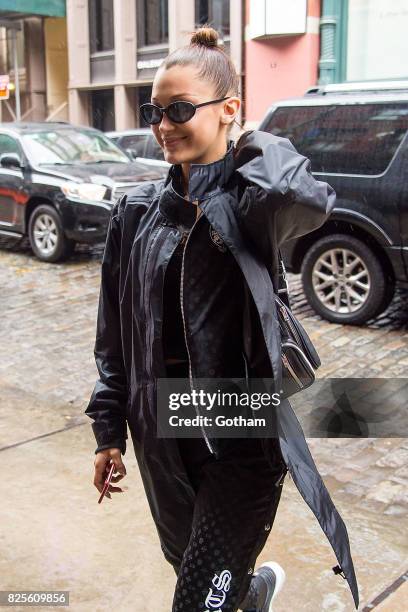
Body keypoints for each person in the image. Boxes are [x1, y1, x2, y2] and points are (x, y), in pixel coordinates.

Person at [85, 26, 359, 612]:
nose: (163, 125)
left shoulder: (252, 202)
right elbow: (113, 338)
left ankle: (242, 590)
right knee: (197, 572)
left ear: (228, 108)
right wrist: (108, 432)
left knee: (197, 603)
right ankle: (252, 592)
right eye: (155, 111)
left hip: (241, 436)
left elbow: (309, 199)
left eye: (180, 109)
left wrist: (249, 144)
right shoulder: (133, 215)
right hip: (162, 433)